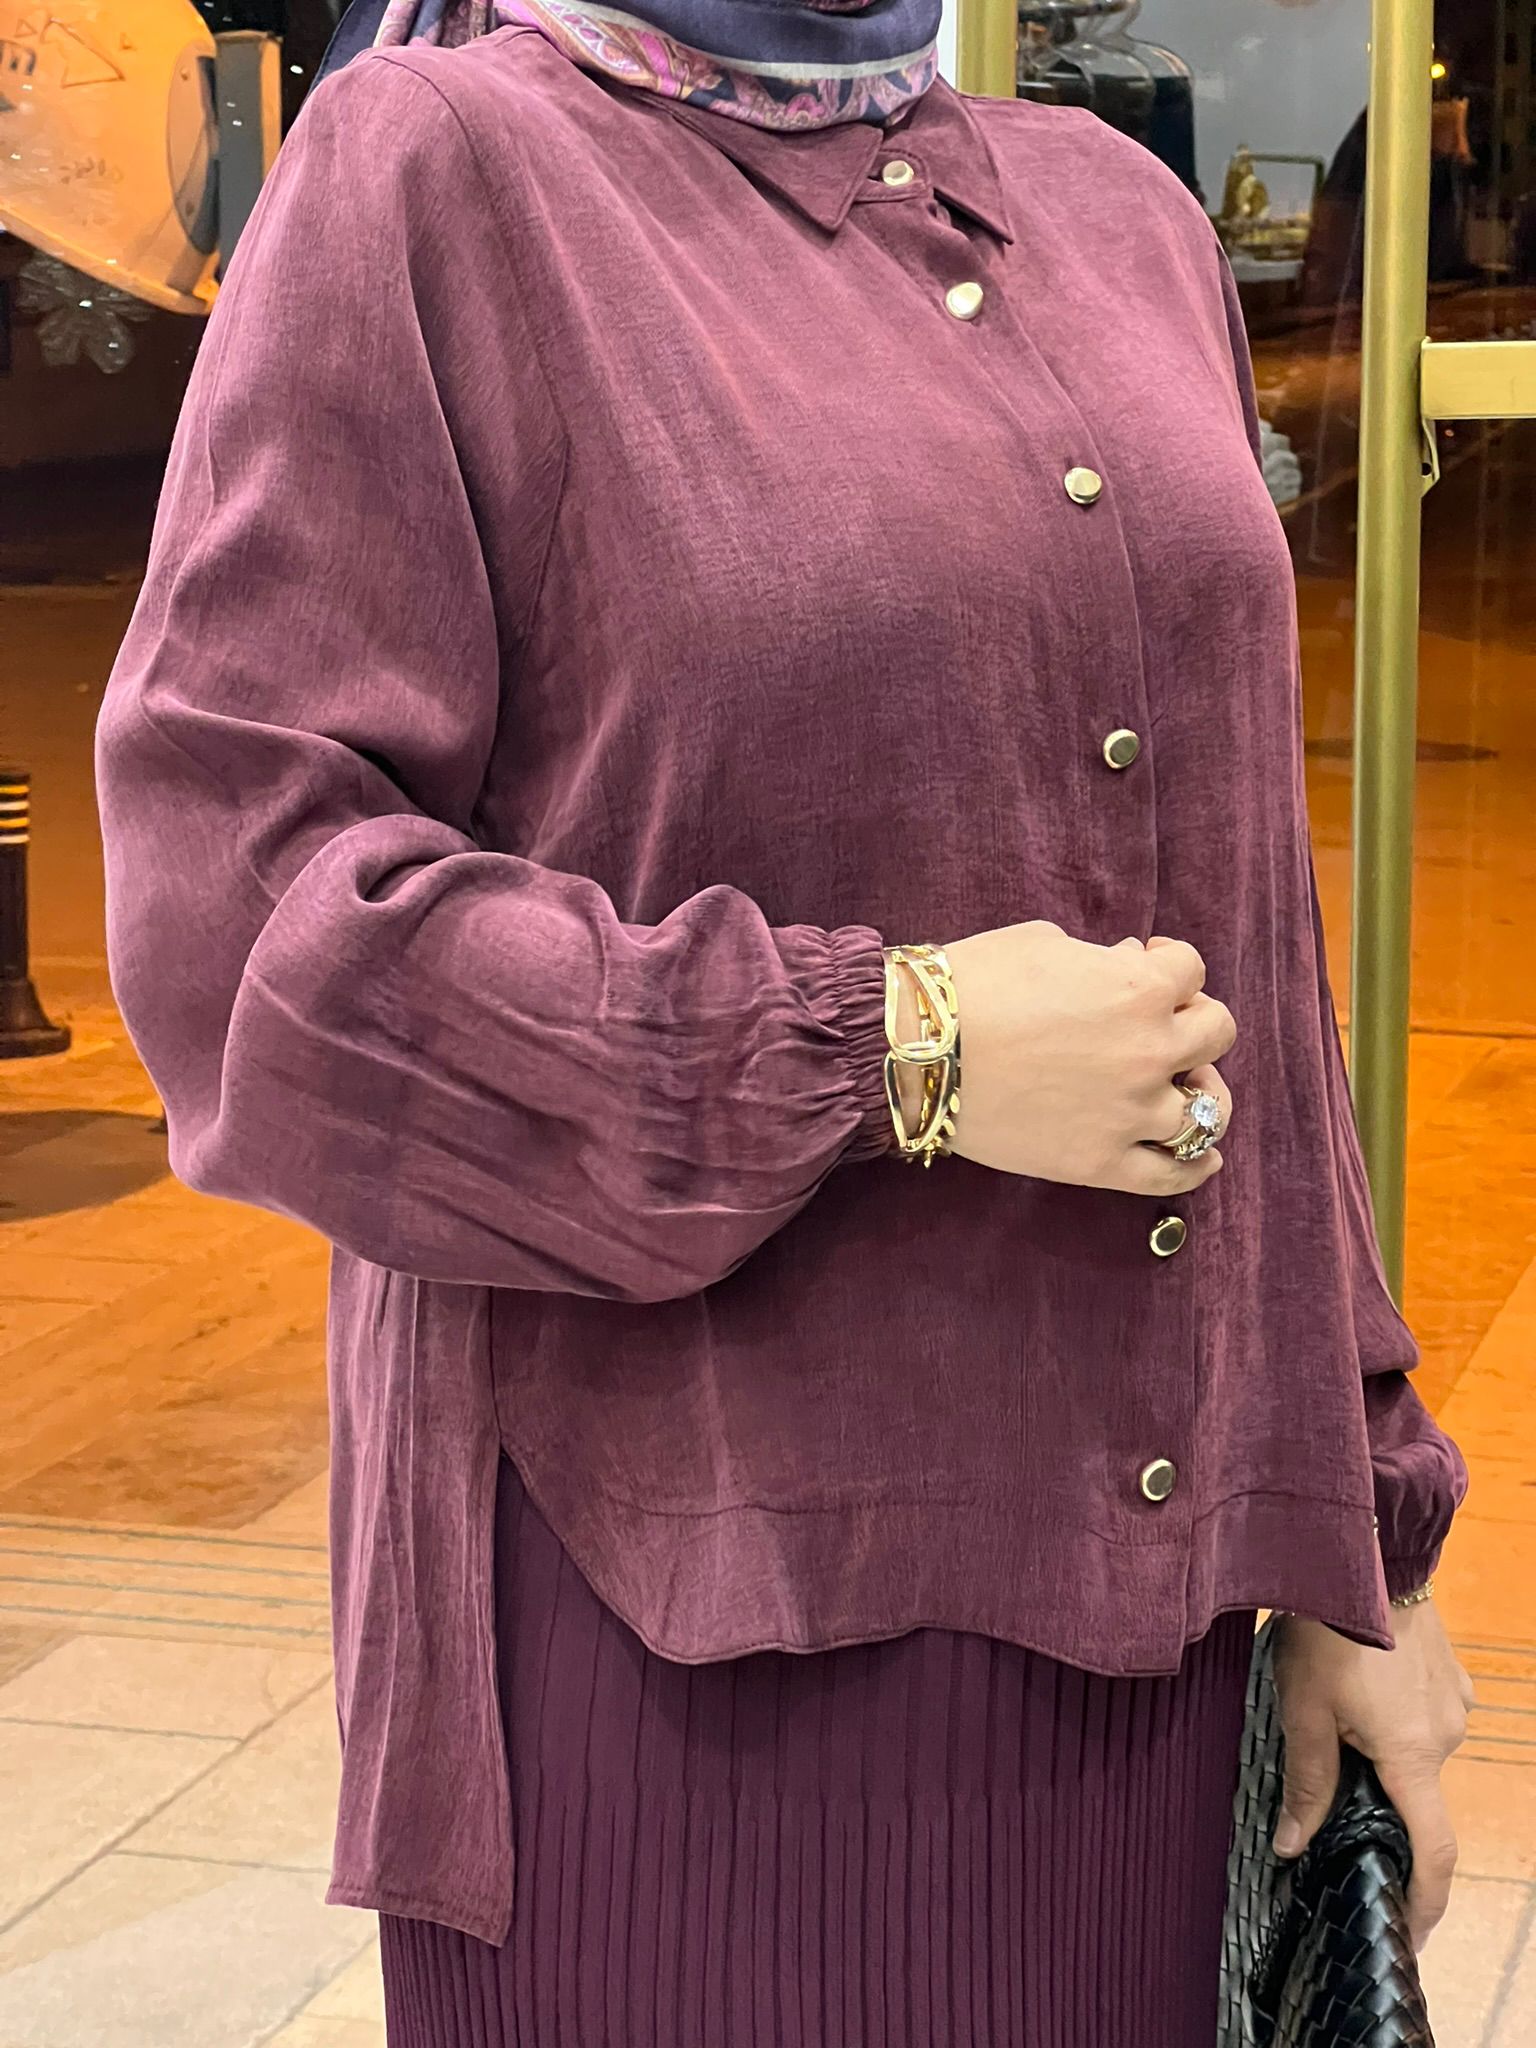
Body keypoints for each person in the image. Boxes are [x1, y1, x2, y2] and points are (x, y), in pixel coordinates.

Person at [95, 2, 1472, 2042]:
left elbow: (1250, 942)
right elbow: (246, 926)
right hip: (674, 1646)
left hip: (1144, 1656)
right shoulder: (441, 178)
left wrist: (1368, 1539)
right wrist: (893, 1040)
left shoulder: (1119, 214)